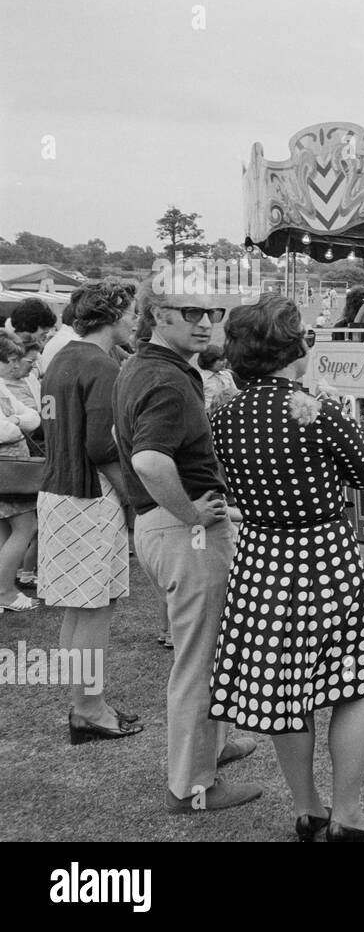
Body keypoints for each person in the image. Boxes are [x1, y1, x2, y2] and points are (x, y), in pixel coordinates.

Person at [210, 296, 364, 841]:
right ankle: (348, 815)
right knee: (352, 686)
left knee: (287, 692)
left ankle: (309, 809)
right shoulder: (314, 410)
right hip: (324, 556)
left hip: (260, 562)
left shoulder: (223, 416)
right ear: (294, 349)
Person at [114, 283, 261, 814]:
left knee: (206, 656)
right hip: (183, 531)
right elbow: (149, 461)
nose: (205, 322)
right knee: (200, 664)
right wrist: (192, 512)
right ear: (158, 314)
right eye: (192, 312)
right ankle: (191, 787)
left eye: (212, 312)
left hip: (162, 528)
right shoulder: (166, 378)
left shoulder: (144, 365)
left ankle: (209, 754)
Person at [37, 282, 141, 742]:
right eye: (131, 312)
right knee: (94, 608)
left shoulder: (61, 356)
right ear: (112, 314)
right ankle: (89, 709)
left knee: (77, 610)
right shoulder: (101, 364)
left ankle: (84, 703)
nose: (136, 320)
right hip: (89, 495)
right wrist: (136, 501)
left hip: (58, 491)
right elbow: (102, 446)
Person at [0, 333, 40, 611]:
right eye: (11, 360)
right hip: (9, 474)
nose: (15, 366)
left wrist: (15, 420)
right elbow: (10, 428)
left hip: (10, 473)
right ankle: (5, 591)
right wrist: (16, 422)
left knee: (4, 530)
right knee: (26, 526)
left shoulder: (2, 388)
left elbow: (32, 417)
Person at [196, 345, 238, 415]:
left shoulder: (227, 374)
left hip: (229, 411)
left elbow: (235, 392)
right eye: (221, 360)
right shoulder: (201, 379)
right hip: (210, 414)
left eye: (225, 358)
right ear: (210, 361)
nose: (225, 361)